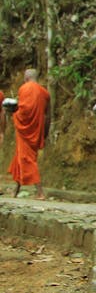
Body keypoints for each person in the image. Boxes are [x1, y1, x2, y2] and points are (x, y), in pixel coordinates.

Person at [6, 69, 50, 200]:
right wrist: (45, 132)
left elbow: (23, 112)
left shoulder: (24, 89)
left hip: (26, 131)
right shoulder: (45, 93)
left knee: (27, 160)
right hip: (36, 131)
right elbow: (48, 115)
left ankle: (40, 192)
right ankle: (16, 190)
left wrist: (14, 113)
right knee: (21, 158)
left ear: (26, 78)